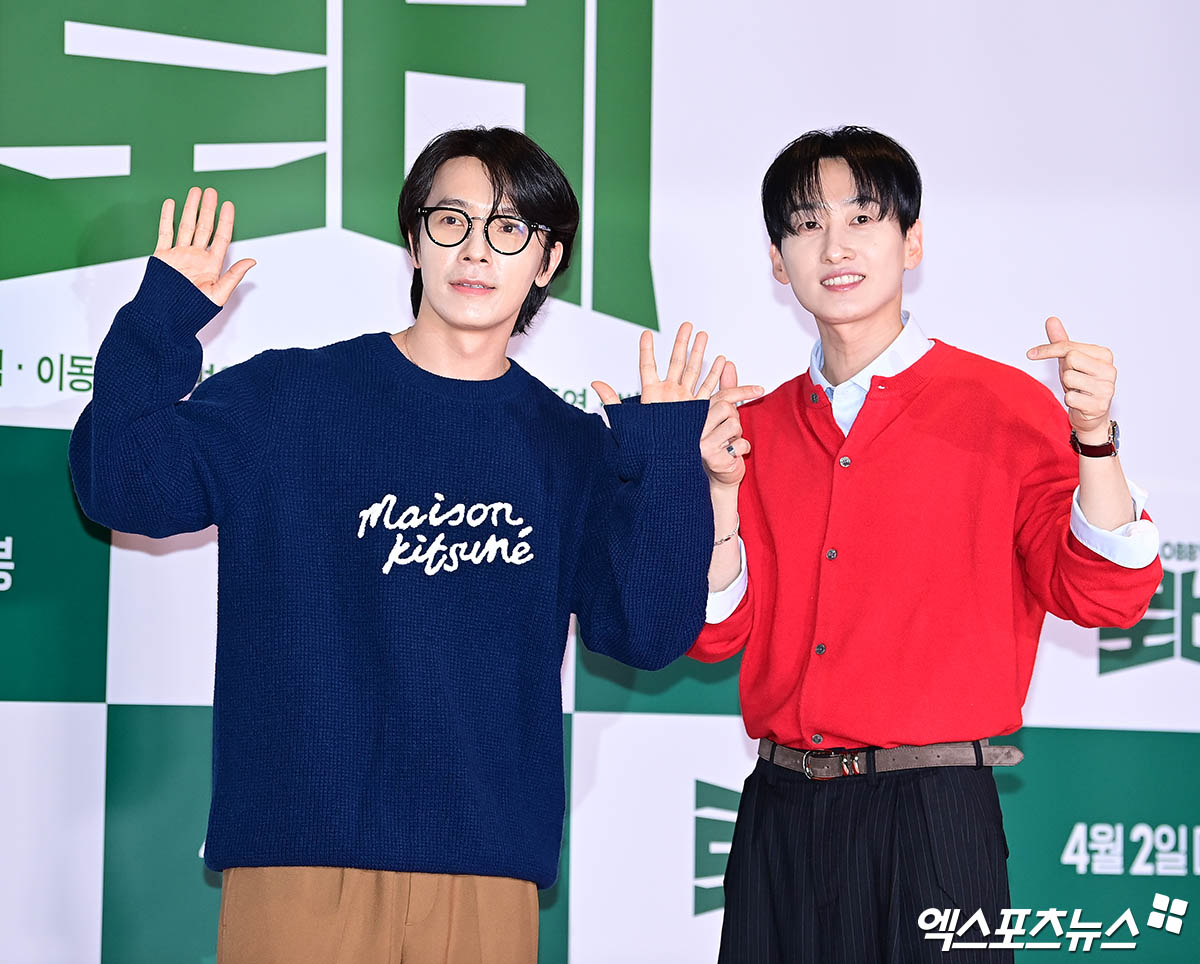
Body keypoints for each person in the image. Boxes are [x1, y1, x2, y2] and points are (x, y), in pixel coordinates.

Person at [69, 126, 758, 964]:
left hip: (485, 869)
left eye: (510, 228)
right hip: (298, 854)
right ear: (414, 238)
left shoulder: (573, 447)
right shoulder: (292, 396)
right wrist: (161, 321)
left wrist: (669, 471)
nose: (476, 250)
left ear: (547, 261)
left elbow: (646, 631)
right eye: (451, 220)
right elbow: (121, 483)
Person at [690, 125, 1162, 964]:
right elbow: (713, 633)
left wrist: (1093, 437)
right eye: (807, 224)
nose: (835, 246)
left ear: (911, 242)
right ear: (776, 260)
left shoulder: (1005, 407)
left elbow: (1105, 594)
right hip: (779, 816)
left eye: (862, 218)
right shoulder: (750, 431)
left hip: (935, 818)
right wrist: (718, 495)